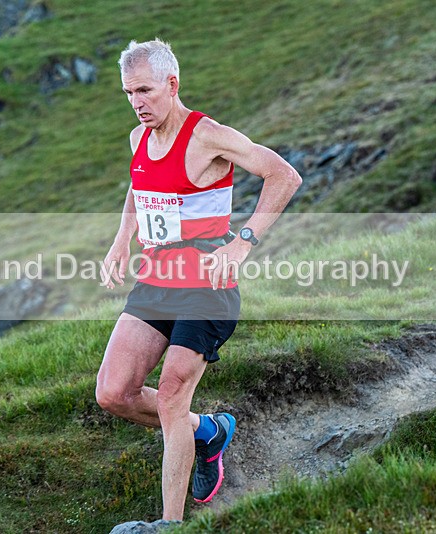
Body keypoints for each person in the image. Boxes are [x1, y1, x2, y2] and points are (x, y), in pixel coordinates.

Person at [96, 38, 302, 523]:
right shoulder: (138, 138)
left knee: (170, 396)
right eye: (128, 93)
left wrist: (243, 242)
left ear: (172, 84)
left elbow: (284, 176)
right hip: (157, 281)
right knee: (112, 392)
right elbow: (138, 187)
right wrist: (121, 240)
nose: (137, 103)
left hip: (206, 286)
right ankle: (207, 431)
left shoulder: (207, 135)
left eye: (144, 90)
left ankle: (169, 524)